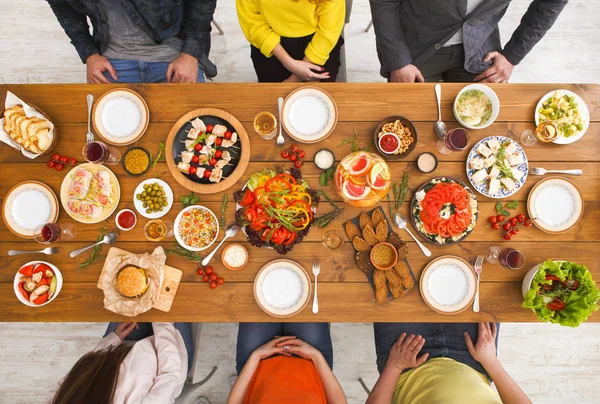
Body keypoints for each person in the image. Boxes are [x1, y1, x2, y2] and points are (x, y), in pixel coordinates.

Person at [369, 0, 568, 83]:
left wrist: (512, 56)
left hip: (480, 44)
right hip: (415, 45)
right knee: (406, 120)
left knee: (483, 127)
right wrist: (398, 60)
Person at [47, 0, 217, 83]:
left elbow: (202, 3)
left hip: (174, 52)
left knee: (191, 136)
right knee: (108, 140)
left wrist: (190, 55)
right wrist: (90, 55)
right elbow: (67, 14)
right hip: (113, 60)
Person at [367, 322, 531, 404]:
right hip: (474, 358)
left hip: (406, 360)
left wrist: (394, 366)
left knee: (393, 269)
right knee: (478, 268)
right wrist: (491, 361)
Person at [49, 322, 194, 404]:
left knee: (129, 295)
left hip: (120, 349)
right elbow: (170, 374)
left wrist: (114, 338)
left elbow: (88, 370)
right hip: (170, 357)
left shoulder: (63, 399)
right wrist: (162, 323)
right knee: (177, 295)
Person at [228, 322, 347, 404]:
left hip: (256, 364)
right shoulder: (314, 357)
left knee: (254, 297)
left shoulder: (256, 357)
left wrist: (256, 356)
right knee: (307, 294)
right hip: (312, 361)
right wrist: (316, 356)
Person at [236, 0, 345, 82]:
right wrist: (290, 63)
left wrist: (294, 79)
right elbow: (251, 20)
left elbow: (329, 30)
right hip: (271, 45)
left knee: (318, 98)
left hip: (318, 44)